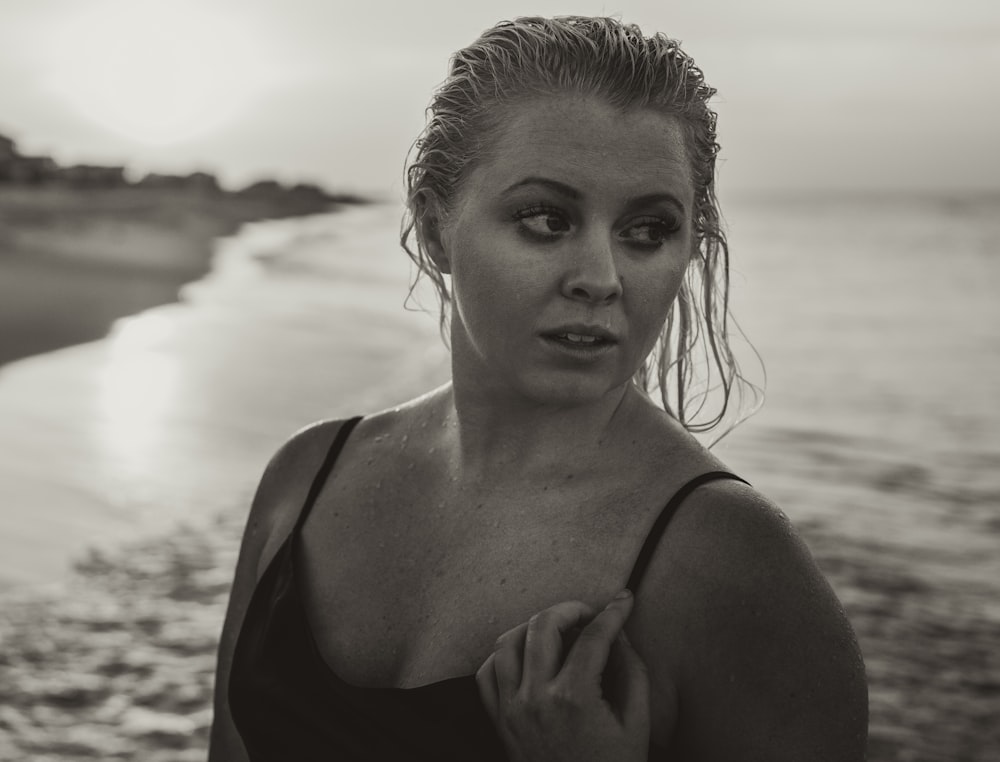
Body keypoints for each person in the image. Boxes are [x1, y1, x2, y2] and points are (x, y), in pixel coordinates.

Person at [209, 15, 868, 761]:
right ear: (434, 229)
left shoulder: (734, 565)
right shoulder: (304, 480)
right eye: (546, 219)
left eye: (647, 231)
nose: (600, 277)